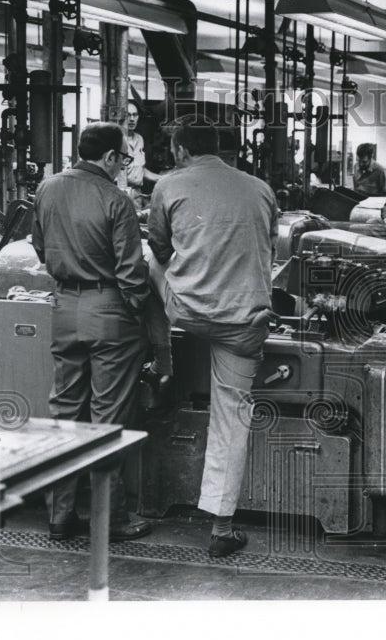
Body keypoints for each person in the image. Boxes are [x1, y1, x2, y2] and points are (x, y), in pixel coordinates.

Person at [147, 122, 278, 559]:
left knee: (149, 263)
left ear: (181, 150)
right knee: (232, 414)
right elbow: (268, 248)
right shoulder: (260, 188)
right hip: (245, 319)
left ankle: (160, 359)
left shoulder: (167, 185)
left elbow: (160, 250)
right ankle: (222, 527)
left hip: (187, 312)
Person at [31, 121, 153, 542]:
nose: (123, 165)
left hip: (64, 308)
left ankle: (59, 517)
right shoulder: (115, 200)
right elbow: (131, 273)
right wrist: (140, 315)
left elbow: (39, 246)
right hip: (109, 312)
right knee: (106, 419)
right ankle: (111, 519)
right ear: (108, 158)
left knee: (65, 416)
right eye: (123, 158)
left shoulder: (46, 188)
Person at [121, 102, 160, 209]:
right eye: (128, 115)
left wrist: (161, 178)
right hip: (121, 194)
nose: (132, 119)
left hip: (137, 195)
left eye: (135, 115)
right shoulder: (117, 140)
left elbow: (139, 170)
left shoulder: (139, 139)